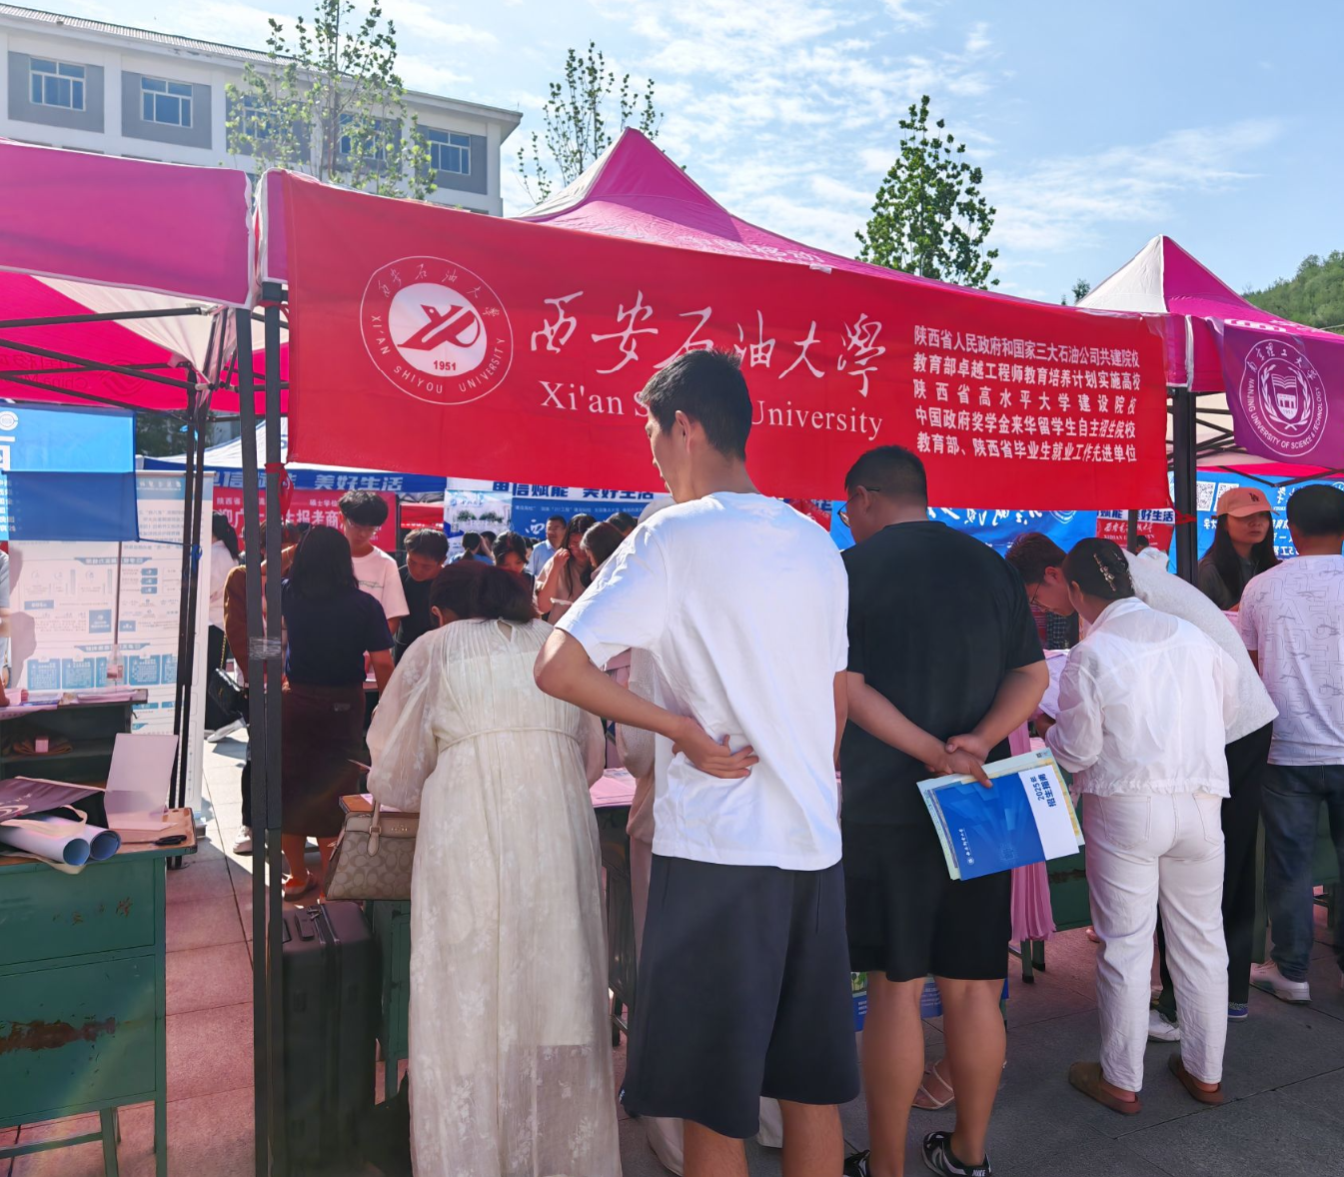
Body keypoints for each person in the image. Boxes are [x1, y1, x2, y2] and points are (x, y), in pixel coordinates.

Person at [535, 350, 858, 1177]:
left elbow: (557, 665)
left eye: (650, 430)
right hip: (812, 848)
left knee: (713, 1104)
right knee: (810, 1094)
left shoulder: (671, 536)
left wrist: (677, 727)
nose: (649, 450)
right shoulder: (816, 542)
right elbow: (835, 695)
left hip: (718, 850)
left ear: (684, 426)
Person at [366, 561, 619, 1176]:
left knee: (466, 985)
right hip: (557, 830)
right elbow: (592, 758)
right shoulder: (559, 643)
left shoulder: (436, 649)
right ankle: (558, 1153)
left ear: (446, 610)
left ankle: (473, 1154)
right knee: (558, 985)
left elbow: (394, 774)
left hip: (468, 834)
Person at [839, 446, 1046, 1177]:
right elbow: (1032, 674)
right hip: (979, 798)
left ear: (865, 497)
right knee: (973, 984)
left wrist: (931, 750)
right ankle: (970, 1154)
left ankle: (887, 1166)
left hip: (886, 804)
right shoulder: (992, 566)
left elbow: (848, 689)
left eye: (847, 507)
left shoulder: (850, 570)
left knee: (896, 988)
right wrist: (977, 743)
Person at [1006, 531, 1277, 1024]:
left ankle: (1176, 1012)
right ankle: (1208, 1017)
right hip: (1217, 742)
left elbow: (1097, 733)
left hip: (1221, 738)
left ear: (1057, 577)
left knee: (1161, 925)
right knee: (1206, 911)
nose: (1043, 610)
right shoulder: (1116, 576)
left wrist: (1050, 725)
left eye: (1036, 598)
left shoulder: (1114, 602)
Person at [1042, 539, 1239, 1114]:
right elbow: (1225, 713)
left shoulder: (1092, 652)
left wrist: (1049, 731)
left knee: (1126, 947)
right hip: (1202, 802)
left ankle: (1122, 1079)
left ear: (1075, 590)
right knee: (1202, 940)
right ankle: (1205, 1072)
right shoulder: (1195, 637)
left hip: (1125, 806)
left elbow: (1077, 751)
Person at [1240, 484, 1344, 1003]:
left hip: (1287, 748)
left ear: (1291, 528)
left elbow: (1251, 671)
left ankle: (1293, 972)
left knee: (1290, 865)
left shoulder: (1261, 588)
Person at [279, 526, 394, 899]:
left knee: (292, 790)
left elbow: (261, 575)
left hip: (295, 702)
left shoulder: (287, 593)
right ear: (344, 562)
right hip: (343, 707)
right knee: (335, 790)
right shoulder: (364, 605)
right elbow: (383, 662)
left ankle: (297, 877)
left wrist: (293, 552)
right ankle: (333, 885)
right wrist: (388, 708)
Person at [222, 521, 299, 856]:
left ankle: (292, 827)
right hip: (263, 684)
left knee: (295, 756)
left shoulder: (303, 580)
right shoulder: (242, 578)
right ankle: (251, 824)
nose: (286, 556)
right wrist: (280, 660)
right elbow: (240, 635)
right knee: (259, 756)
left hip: (300, 682)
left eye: (290, 549)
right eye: (280, 549)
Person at [1197, 486, 1279, 610]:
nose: (1257, 522)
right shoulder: (1207, 571)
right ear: (1224, 523)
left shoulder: (1273, 567)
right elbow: (1196, 618)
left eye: (1262, 515)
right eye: (1246, 515)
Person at [340, 490, 409, 636]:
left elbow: (393, 617)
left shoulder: (386, 564)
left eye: (370, 529)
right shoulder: (324, 557)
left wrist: (375, 647)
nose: (363, 534)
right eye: (357, 526)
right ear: (342, 518)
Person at [205, 513, 241, 732]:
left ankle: (226, 716)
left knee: (213, 672)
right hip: (218, 622)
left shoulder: (217, 554)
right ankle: (215, 720)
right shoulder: (224, 552)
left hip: (215, 622)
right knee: (212, 671)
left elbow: (206, 589)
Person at [394, 529, 448, 665]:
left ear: (442, 560)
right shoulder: (399, 576)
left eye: (426, 566)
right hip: (405, 648)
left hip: (440, 650)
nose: (417, 570)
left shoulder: (451, 582)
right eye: (412, 562)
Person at [533, 514, 597, 624]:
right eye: (575, 543)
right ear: (568, 542)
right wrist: (556, 568)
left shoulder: (604, 564)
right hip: (560, 628)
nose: (580, 549)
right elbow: (543, 606)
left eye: (585, 543)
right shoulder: (558, 562)